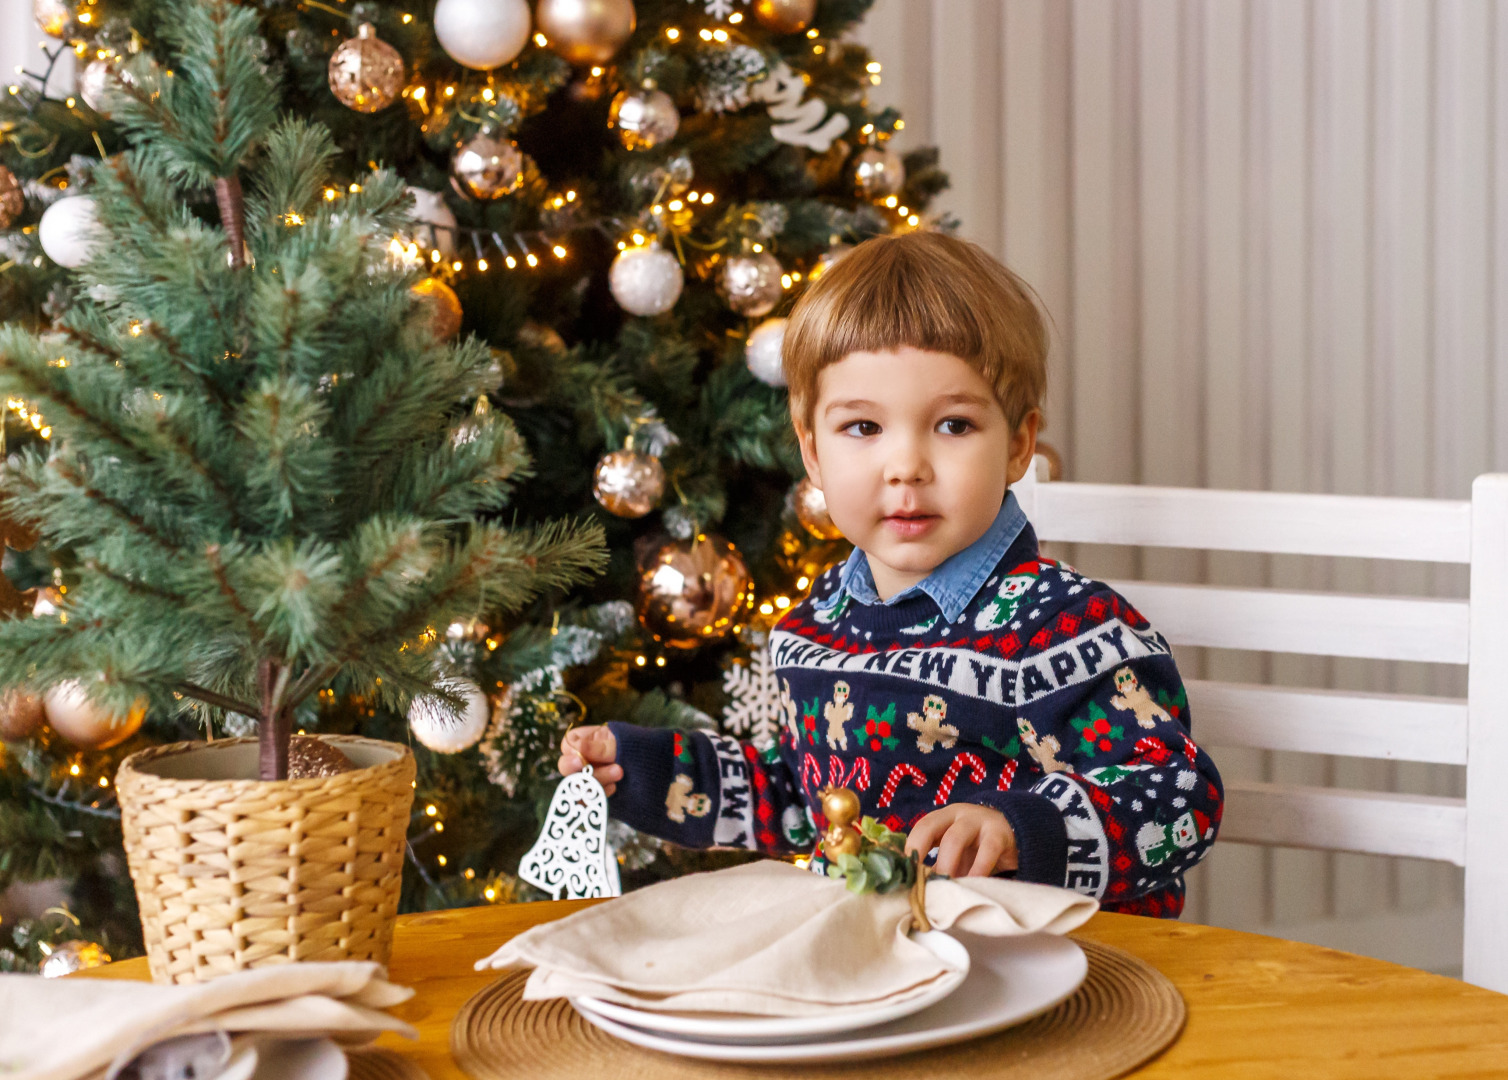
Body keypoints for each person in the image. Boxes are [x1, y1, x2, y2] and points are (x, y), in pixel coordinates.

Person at [560, 232, 1223, 915]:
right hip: (882, 976)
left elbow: (1180, 797)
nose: (906, 466)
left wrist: (1020, 827)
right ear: (813, 451)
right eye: (864, 429)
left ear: (1019, 444)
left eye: (954, 425)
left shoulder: (1069, 629)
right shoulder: (813, 629)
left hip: (1064, 977)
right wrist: (642, 771)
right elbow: (799, 803)